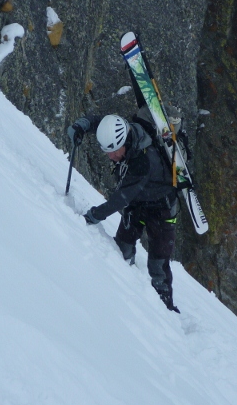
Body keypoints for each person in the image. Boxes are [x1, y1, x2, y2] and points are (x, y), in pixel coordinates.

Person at [67, 114, 181, 312]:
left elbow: (120, 199)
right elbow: (101, 123)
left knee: (158, 266)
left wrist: (93, 216)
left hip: (161, 210)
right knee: (121, 249)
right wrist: (83, 125)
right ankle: (124, 292)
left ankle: (166, 314)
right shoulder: (122, 130)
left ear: (124, 143)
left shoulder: (144, 161)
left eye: (113, 151)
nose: (110, 157)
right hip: (138, 203)